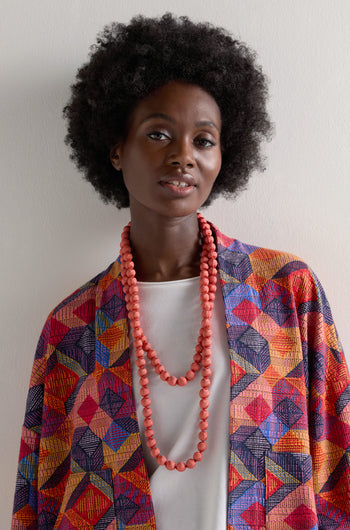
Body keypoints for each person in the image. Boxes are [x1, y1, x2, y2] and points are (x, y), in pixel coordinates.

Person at [11, 13, 350, 530]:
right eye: (159, 134)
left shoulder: (285, 292)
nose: (183, 156)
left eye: (203, 140)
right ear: (116, 149)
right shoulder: (73, 330)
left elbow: (337, 462)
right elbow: (41, 498)